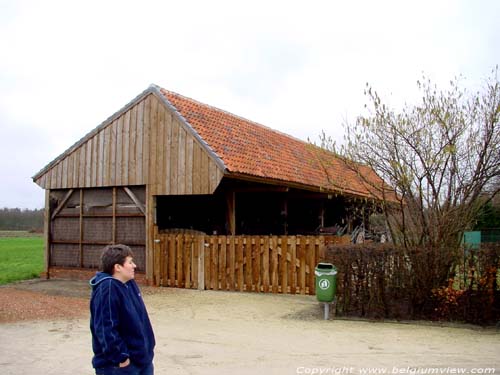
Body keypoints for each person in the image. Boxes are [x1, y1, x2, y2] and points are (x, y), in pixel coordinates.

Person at [90, 244, 155, 375]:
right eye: (130, 262)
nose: (134, 266)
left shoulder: (129, 284)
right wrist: (121, 358)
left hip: (142, 360)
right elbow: (105, 328)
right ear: (118, 267)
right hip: (120, 366)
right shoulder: (107, 289)